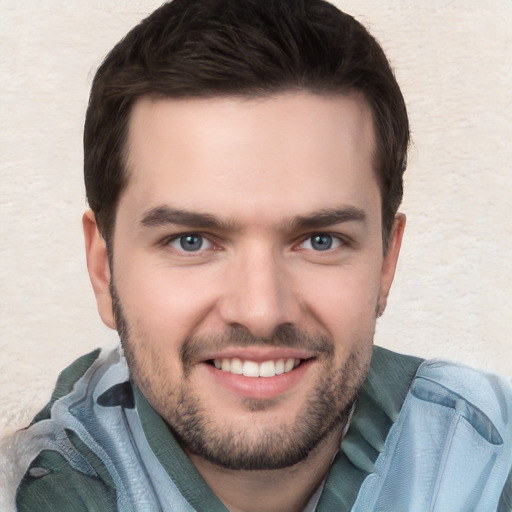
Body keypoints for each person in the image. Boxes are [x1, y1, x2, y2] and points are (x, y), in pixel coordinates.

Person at [5, 0, 511, 510]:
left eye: (320, 240)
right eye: (192, 241)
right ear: (104, 267)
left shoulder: (491, 459)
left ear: (386, 262)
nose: (261, 311)